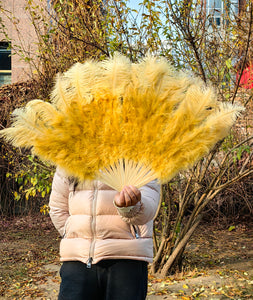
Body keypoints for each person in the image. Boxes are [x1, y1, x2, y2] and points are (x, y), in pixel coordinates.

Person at [49, 167, 160, 300]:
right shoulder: (68, 158)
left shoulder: (140, 157)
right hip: (77, 262)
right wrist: (77, 237)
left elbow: (148, 209)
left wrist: (129, 207)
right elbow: (58, 209)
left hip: (127, 261)